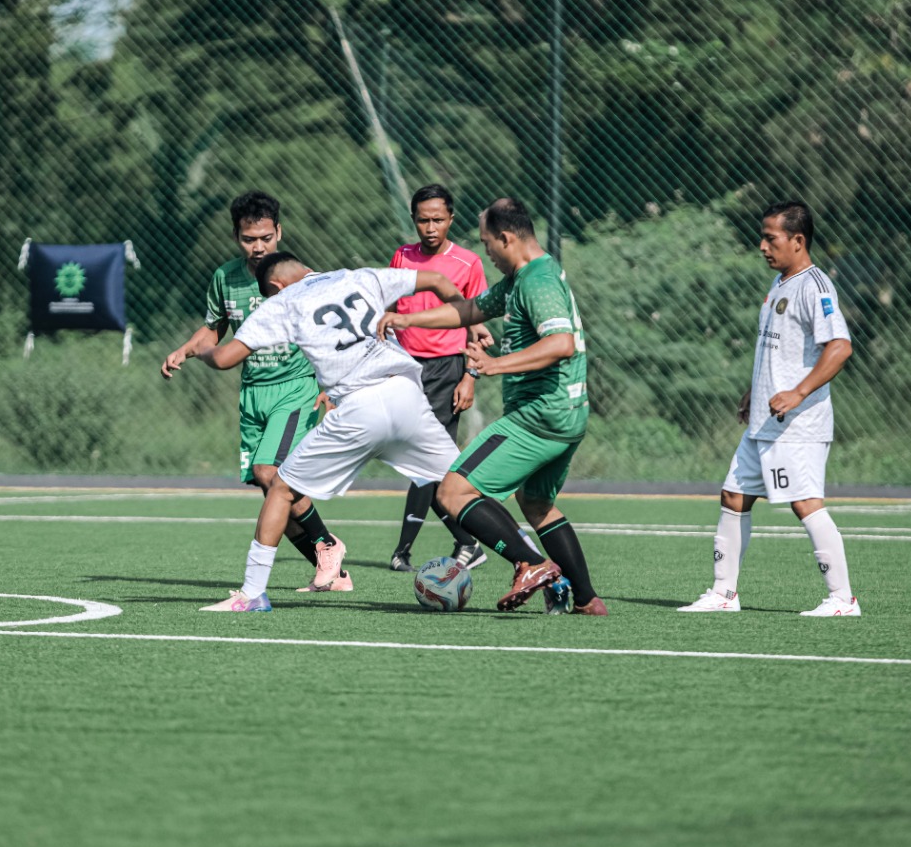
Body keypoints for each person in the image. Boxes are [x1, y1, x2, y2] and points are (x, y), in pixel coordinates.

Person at [192, 253, 560, 612]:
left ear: (275, 285)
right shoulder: (359, 276)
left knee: (282, 489)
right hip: (406, 397)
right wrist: (470, 322)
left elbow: (226, 358)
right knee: (461, 489)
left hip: (358, 409)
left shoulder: (283, 302)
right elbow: (436, 280)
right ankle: (535, 565)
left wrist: (205, 349)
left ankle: (252, 594)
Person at [378, 197, 605, 616]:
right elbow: (469, 309)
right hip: (569, 415)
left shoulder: (536, 281)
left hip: (539, 415)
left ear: (506, 238)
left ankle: (532, 564)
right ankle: (588, 600)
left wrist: (494, 364)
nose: (487, 253)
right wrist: (408, 319)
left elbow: (561, 344)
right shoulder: (529, 275)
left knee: (453, 490)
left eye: (487, 244)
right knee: (535, 504)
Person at [161, 191, 350, 591]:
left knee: (273, 474)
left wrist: (330, 388)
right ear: (237, 237)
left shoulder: (303, 277)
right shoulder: (225, 278)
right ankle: (333, 569)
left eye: (266, 236)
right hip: (253, 394)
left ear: (279, 232)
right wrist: (185, 350)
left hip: (295, 389)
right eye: (250, 238)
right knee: (270, 487)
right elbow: (214, 329)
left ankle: (327, 547)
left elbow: (331, 333)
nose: (258, 246)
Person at [678, 201, 859, 616]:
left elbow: (840, 347)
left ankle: (843, 600)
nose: (762, 245)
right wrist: (753, 392)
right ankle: (724, 595)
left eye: (770, 238)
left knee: (805, 502)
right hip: (764, 420)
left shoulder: (815, 286)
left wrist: (797, 393)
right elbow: (780, 353)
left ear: (797, 240)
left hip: (797, 424)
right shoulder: (780, 284)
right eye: (762, 237)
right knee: (734, 496)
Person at [386, 183, 494, 572]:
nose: (429, 227)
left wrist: (469, 377)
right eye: (422, 220)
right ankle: (466, 542)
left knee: (426, 458)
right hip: (405, 367)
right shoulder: (402, 256)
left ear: (451, 219)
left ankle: (409, 550)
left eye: (437, 219)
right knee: (419, 456)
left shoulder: (467, 263)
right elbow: (393, 307)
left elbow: (475, 322)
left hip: (446, 369)